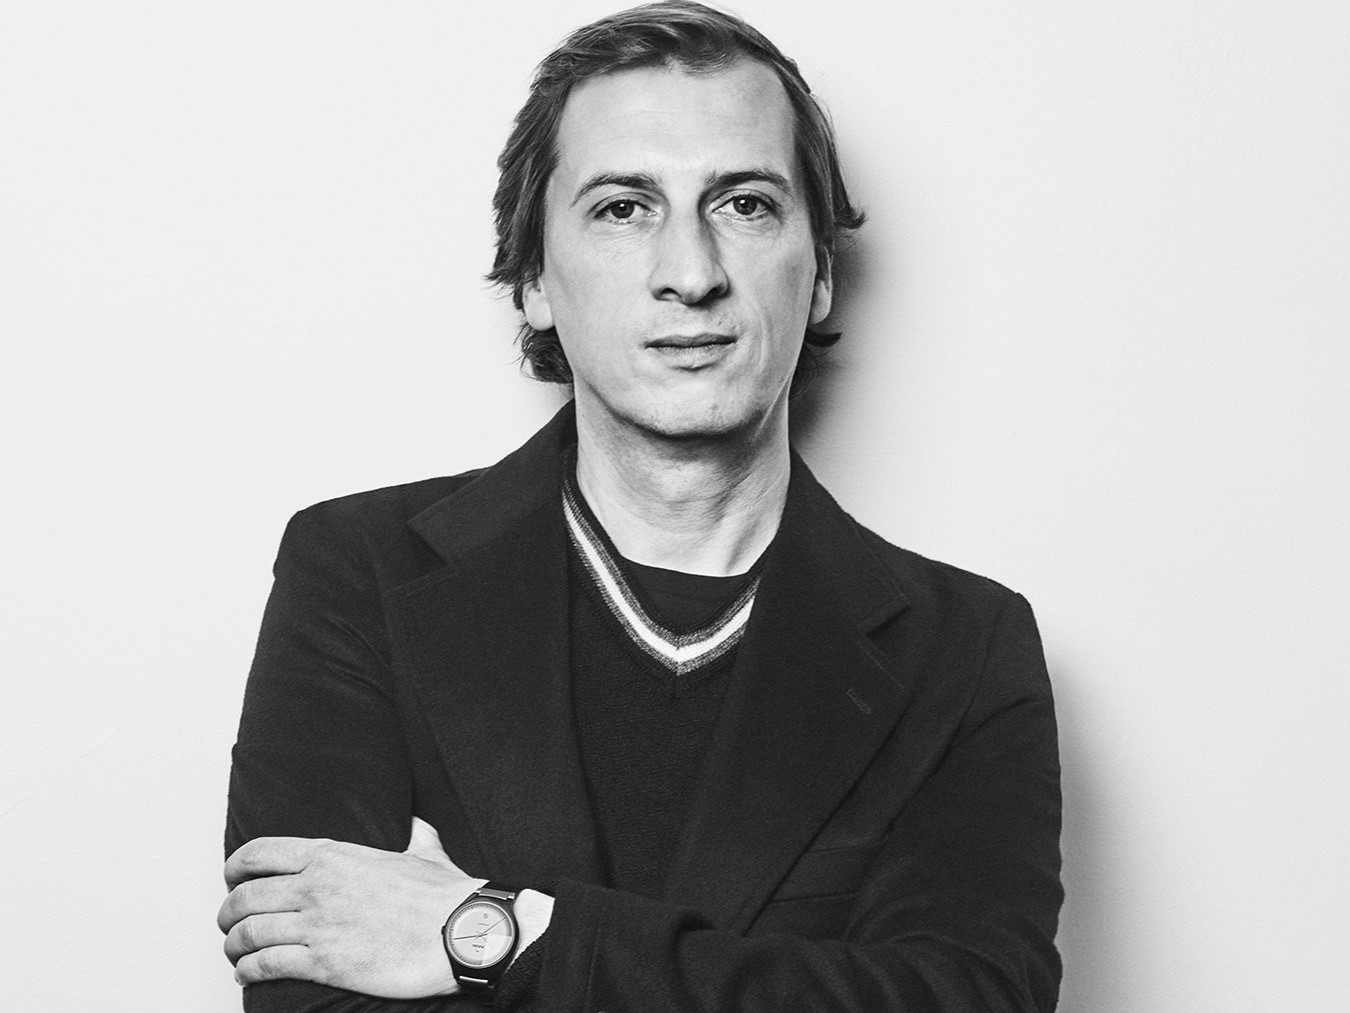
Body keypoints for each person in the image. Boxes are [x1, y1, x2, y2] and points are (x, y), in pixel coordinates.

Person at [217, 3, 1064, 1010]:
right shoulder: (359, 574)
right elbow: (308, 989)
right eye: (624, 208)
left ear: (822, 272)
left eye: (744, 204)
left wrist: (503, 935)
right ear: (535, 279)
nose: (691, 274)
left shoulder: (964, 650)